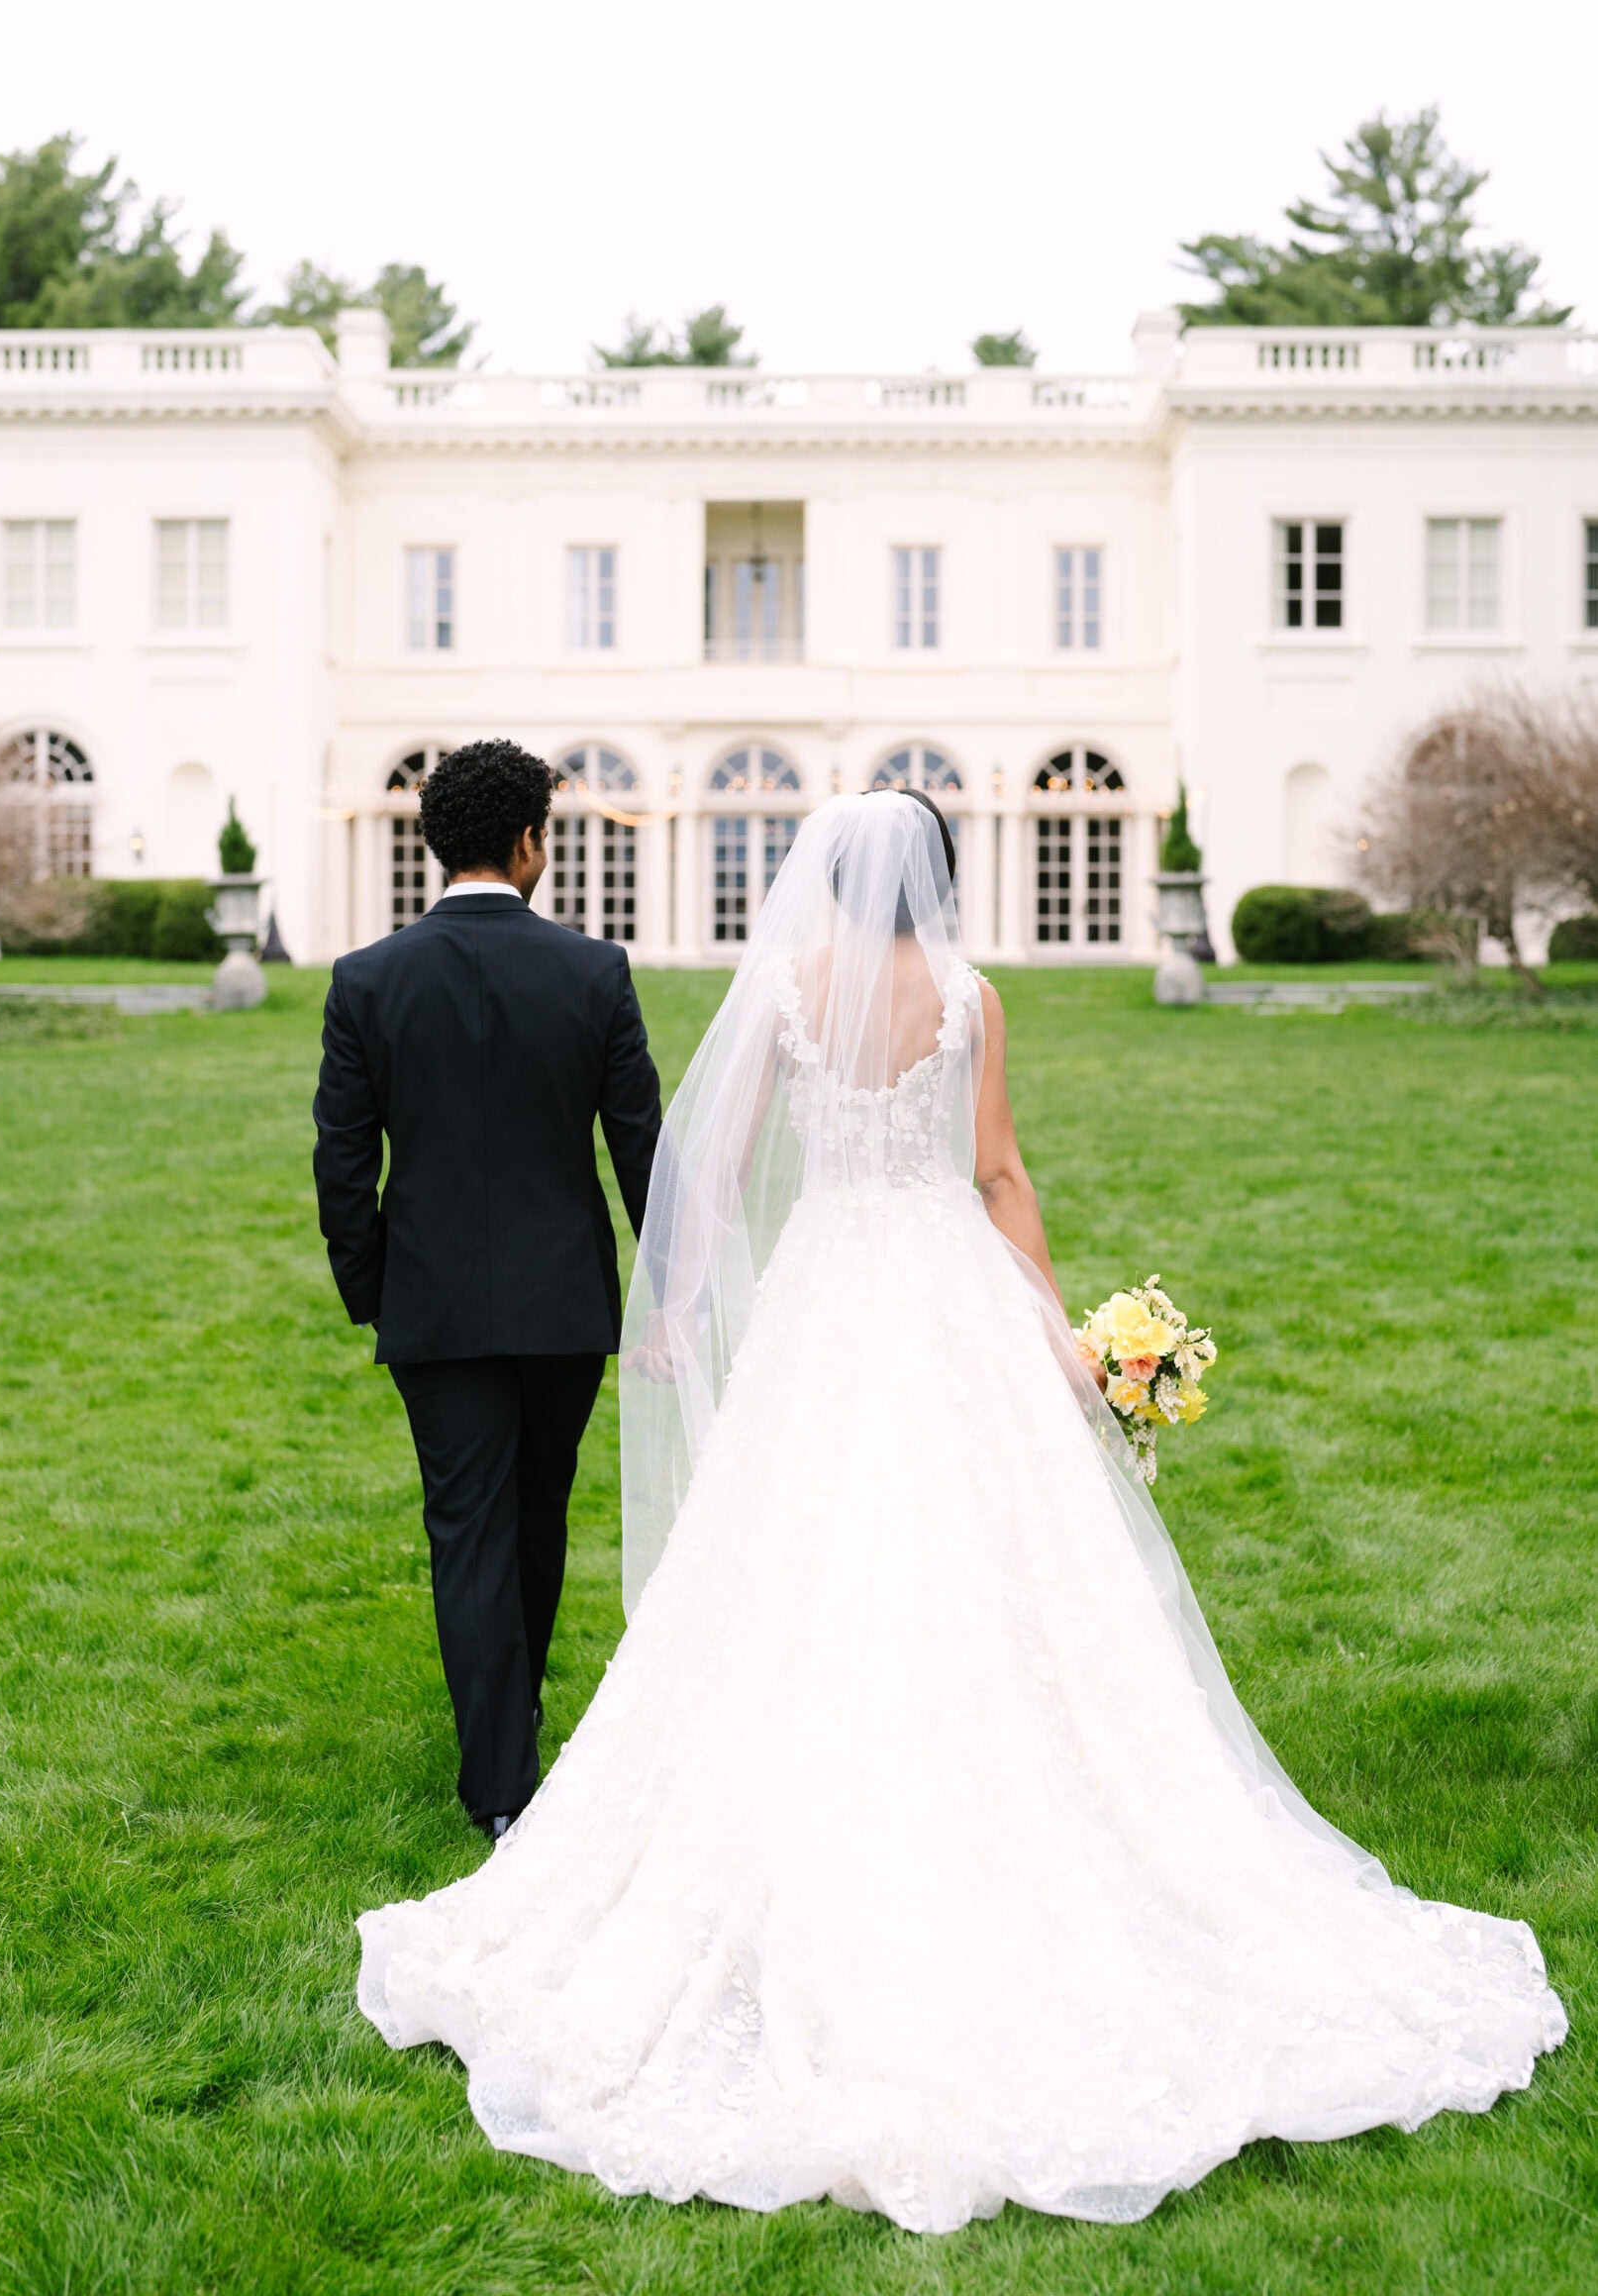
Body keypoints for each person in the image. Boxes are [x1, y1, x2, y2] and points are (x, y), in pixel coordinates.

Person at [354, 785, 1563, 2232]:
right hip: (944, 1297)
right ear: (935, 880)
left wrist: (675, 1302)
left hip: (822, 1297)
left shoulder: (785, 988)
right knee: (1001, 1575)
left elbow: (710, 1170)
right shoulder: (971, 999)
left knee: (786, 1573)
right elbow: (996, 1176)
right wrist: (1057, 1336)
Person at [312, 738, 661, 1839]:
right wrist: (671, 1291)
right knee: (535, 1511)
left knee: (466, 1525)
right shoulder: (593, 972)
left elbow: (341, 1161)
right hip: (566, 1304)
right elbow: (641, 1149)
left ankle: (501, 1777)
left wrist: (375, 1289)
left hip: (435, 1305)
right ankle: (509, 1752)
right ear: (525, 842)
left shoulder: (365, 980)